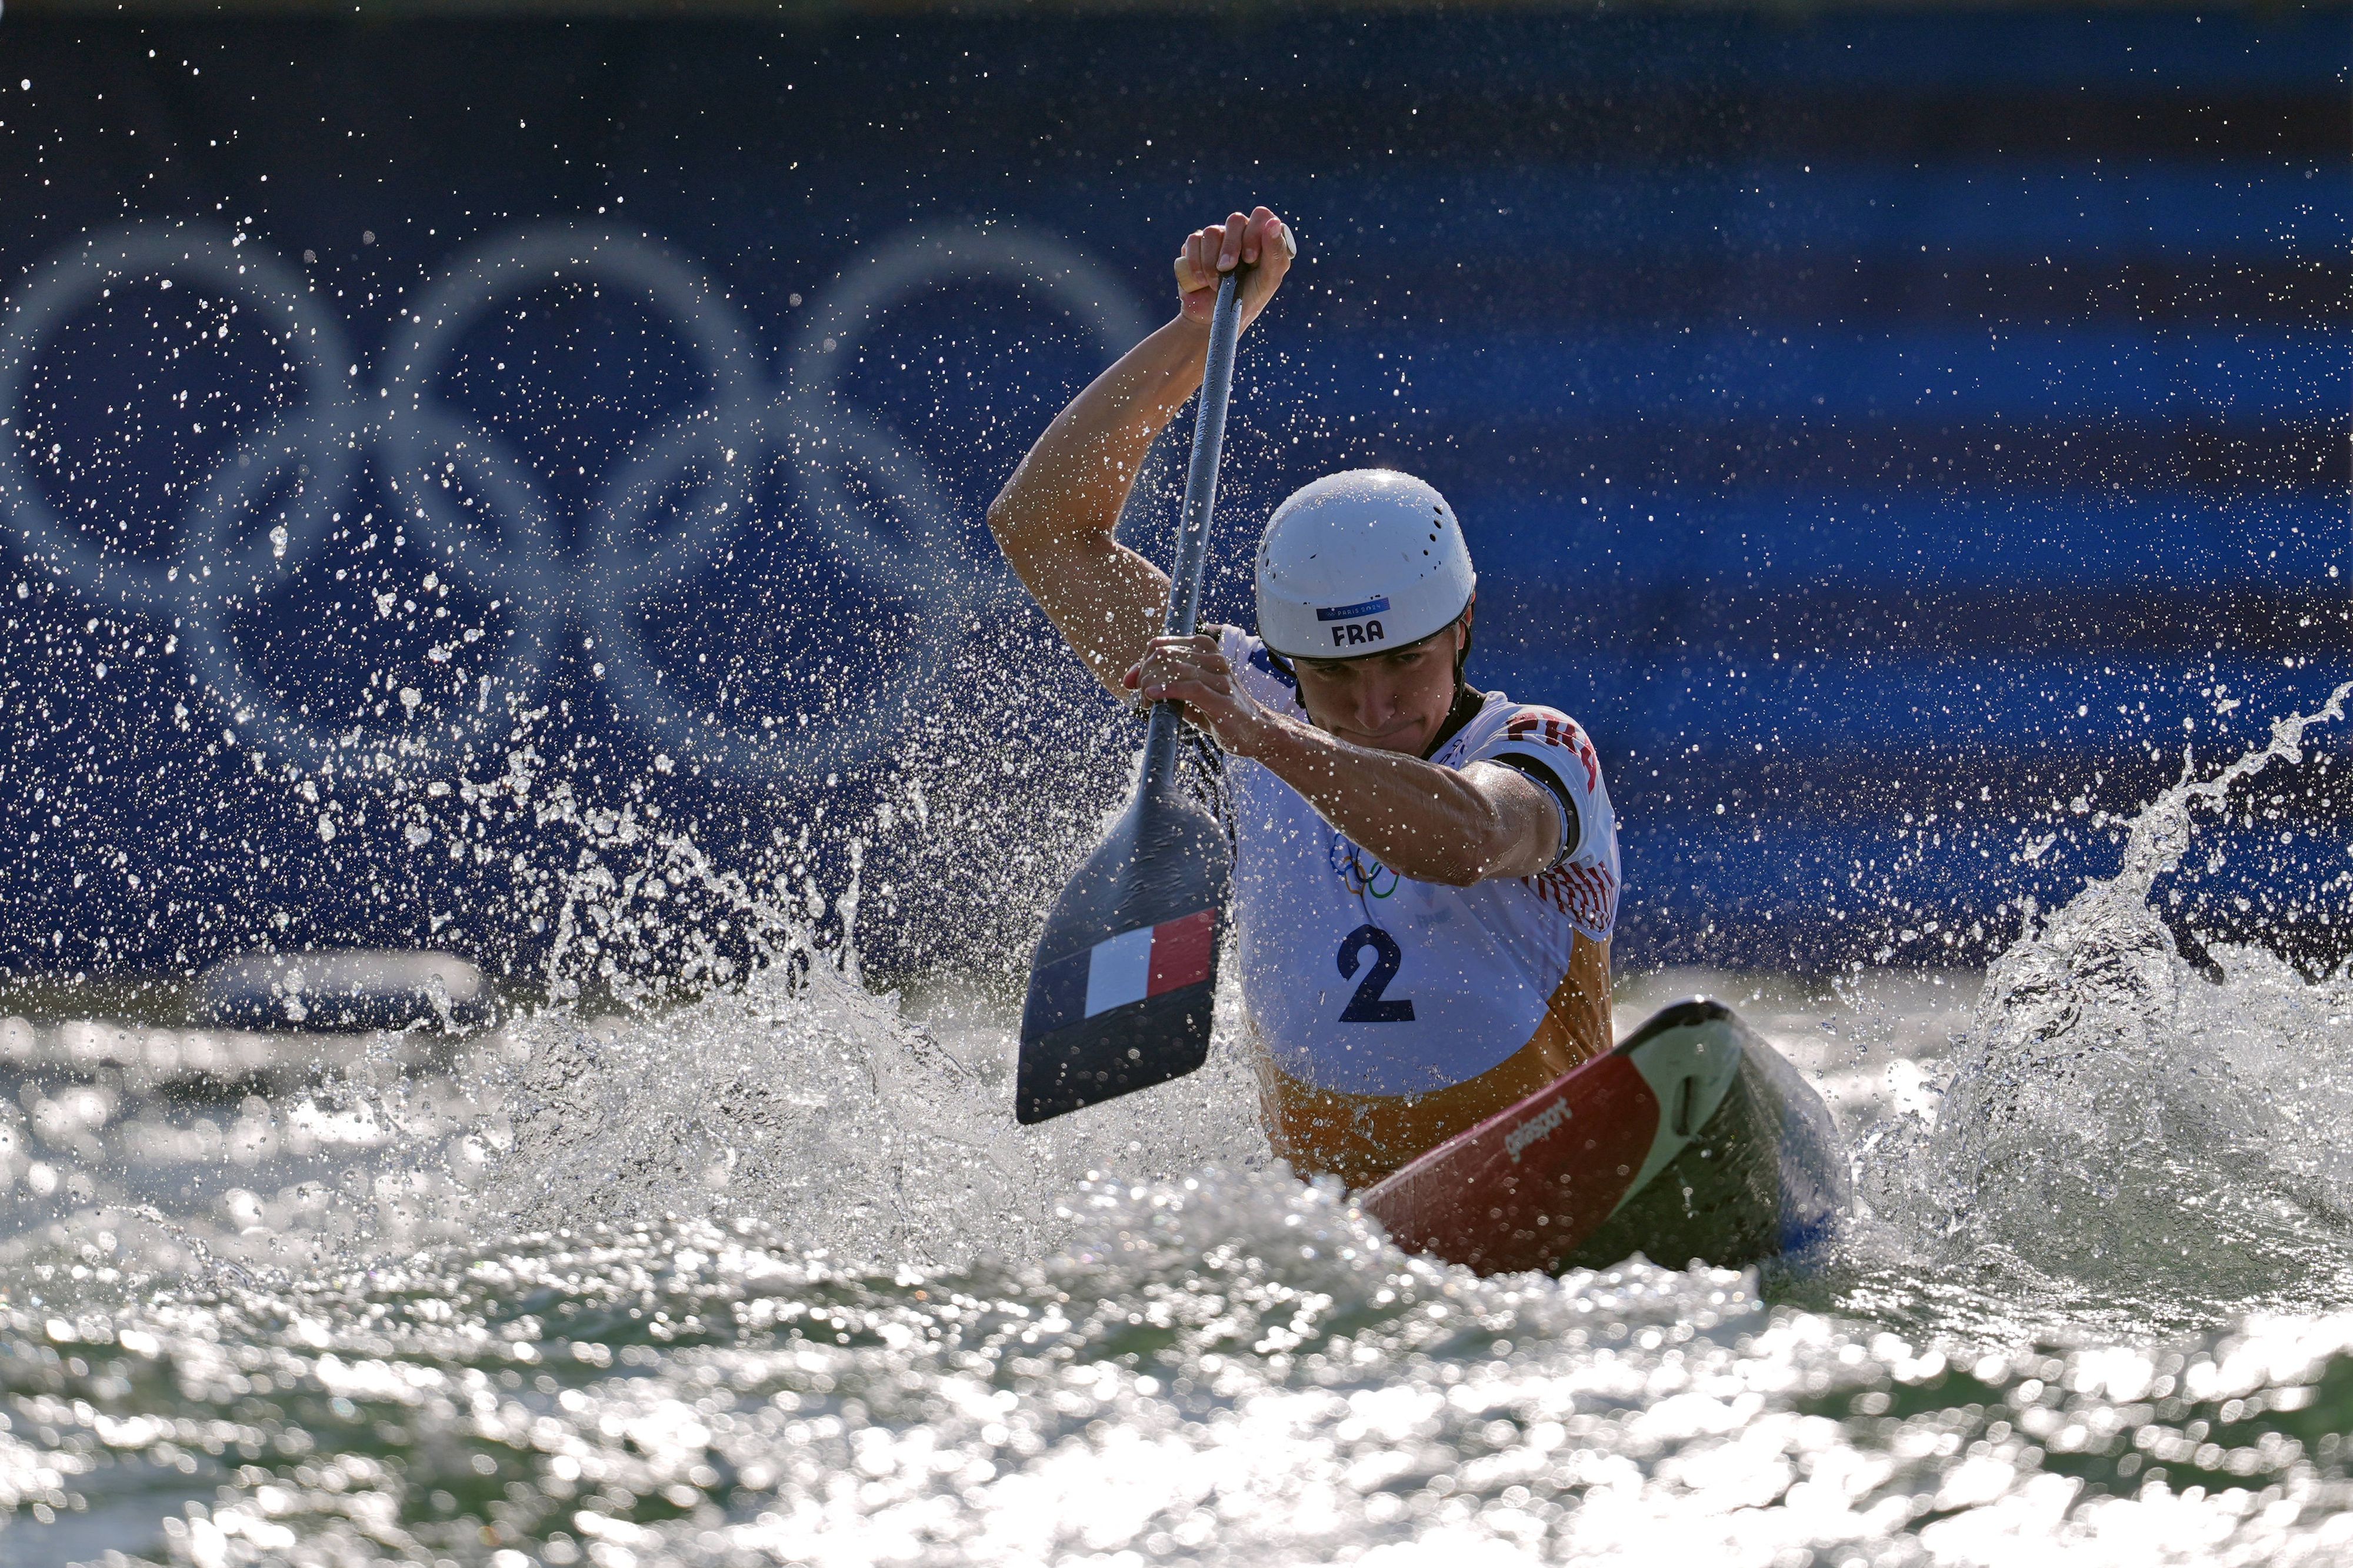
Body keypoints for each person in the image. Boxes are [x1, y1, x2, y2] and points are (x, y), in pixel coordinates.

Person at [988, 207, 1619, 1188]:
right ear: (1292, 658)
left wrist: (1260, 730)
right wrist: (1202, 335)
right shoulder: (1240, 696)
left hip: (1541, 1180)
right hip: (1326, 1232)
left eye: (1403, 664)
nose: (1374, 707)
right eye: (1332, 674)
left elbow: (1465, 840)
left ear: (1463, 624)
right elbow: (1041, 526)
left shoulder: (1542, 748)